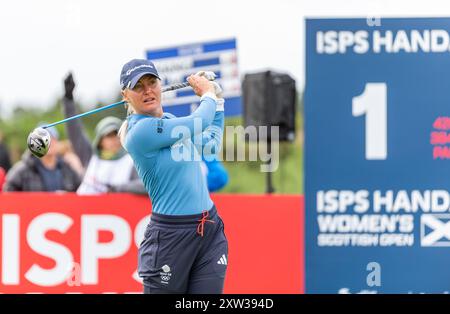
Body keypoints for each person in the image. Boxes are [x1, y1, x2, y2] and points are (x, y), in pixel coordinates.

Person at [118, 59, 228, 294]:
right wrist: (207, 94)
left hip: (209, 228)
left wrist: (217, 103)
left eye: (152, 83)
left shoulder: (169, 122)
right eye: (138, 86)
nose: (147, 90)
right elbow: (199, 120)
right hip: (170, 237)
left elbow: (211, 145)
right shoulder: (139, 133)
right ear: (125, 95)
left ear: (160, 86)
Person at [62, 73, 146, 195]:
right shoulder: (90, 157)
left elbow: (145, 185)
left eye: (117, 136)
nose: (114, 140)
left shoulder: (130, 161)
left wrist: (118, 188)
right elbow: (75, 132)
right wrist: (68, 100)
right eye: (109, 136)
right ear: (100, 140)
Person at [3, 125, 81, 192]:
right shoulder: (21, 170)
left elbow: (82, 191)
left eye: (52, 138)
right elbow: (8, 194)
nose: (49, 142)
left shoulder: (68, 169)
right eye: (42, 139)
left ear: (57, 141)